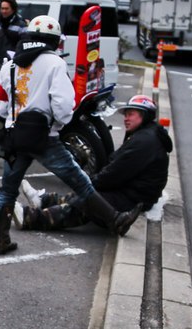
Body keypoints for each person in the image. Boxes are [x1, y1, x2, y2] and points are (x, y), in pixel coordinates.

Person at [0, 15, 135, 255]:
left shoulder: (10, 65)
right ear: (54, 40)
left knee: (7, 190)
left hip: (16, 138)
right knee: (80, 181)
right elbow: (64, 105)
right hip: (45, 138)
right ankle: (116, 220)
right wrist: (56, 124)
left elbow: (0, 105)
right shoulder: (55, 64)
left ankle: (2, 240)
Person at [14, 94, 171, 235]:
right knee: (89, 193)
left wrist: (90, 184)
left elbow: (116, 173)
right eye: (126, 115)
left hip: (134, 199)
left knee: (88, 201)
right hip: (133, 194)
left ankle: (30, 218)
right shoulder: (146, 135)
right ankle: (43, 200)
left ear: (144, 115)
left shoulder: (144, 142)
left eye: (131, 114)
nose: (126, 118)